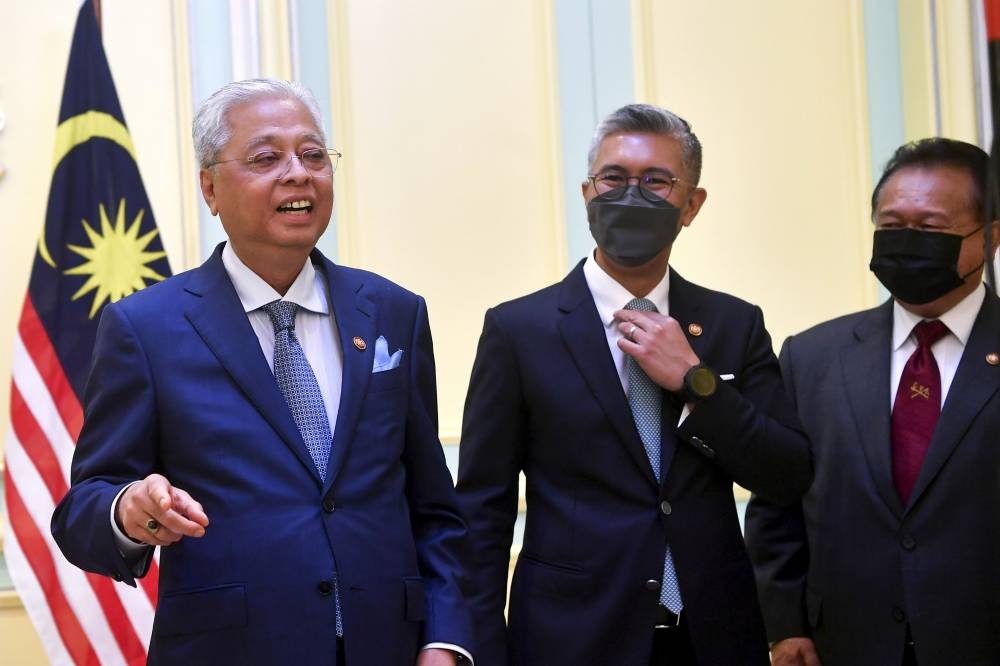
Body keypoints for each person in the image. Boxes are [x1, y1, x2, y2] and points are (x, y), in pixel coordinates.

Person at [51, 78, 473, 666]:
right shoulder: (145, 327)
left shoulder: (395, 313)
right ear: (210, 187)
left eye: (313, 154)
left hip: (391, 648)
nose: (298, 173)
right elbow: (82, 511)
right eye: (266, 157)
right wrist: (126, 508)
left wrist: (446, 639)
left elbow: (434, 509)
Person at [455, 103, 811, 666]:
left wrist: (698, 383)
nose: (630, 195)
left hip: (713, 634)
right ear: (586, 192)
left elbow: (786, 472)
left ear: (691, 205)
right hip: (570, 636)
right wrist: (475, 643)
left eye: (655, 182)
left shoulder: (733, 324)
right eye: (614, 179)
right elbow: (482, 509)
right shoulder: (518, 330)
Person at [744, 138, 1000, 666]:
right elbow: (777, 503)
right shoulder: (812, 357)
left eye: (930, 229)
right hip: (844, 643)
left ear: (990, 239)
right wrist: (784, 624)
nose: (907, 242)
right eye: (890, 226)